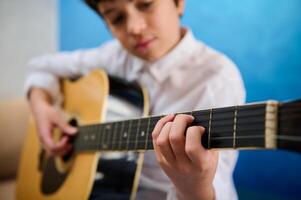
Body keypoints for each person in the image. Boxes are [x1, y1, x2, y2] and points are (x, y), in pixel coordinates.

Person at [24, 0, 245, 199]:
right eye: (117, 18)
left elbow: (219, 186)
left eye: (146, 4)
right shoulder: (114, 56)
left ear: (178, 3)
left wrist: (193, 186)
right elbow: (41, 67)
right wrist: (40, 105)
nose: (135, 28)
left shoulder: (218, 78)